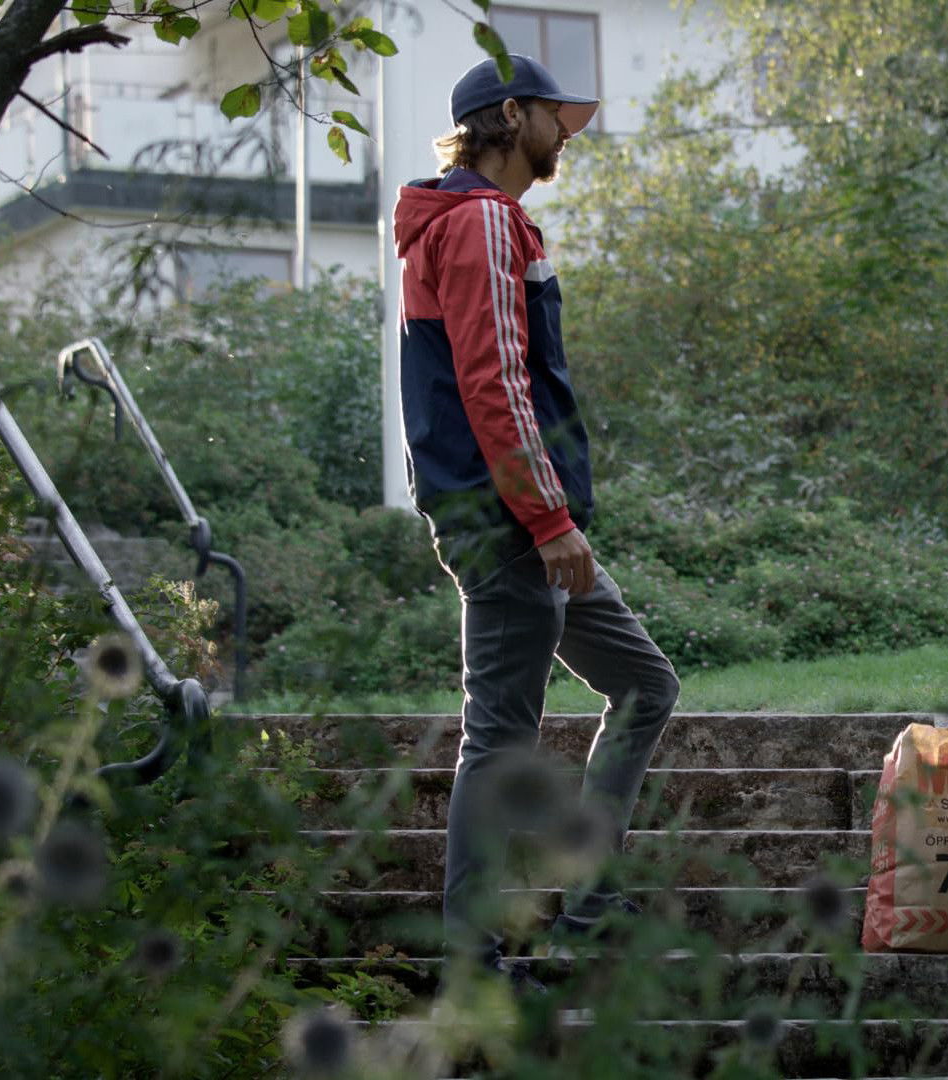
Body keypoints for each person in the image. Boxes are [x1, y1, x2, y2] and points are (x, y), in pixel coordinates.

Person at [394, 55, 680, 989]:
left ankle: (590, 899)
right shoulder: (476, 220)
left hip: (521, 514)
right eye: (557, 117)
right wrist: (550, 519)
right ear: (509, 116)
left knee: (644, 683)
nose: (570, 133)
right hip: (511, 518)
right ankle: (472, 965)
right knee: (498, 739)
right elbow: (496, 383)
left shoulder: (491, 221)